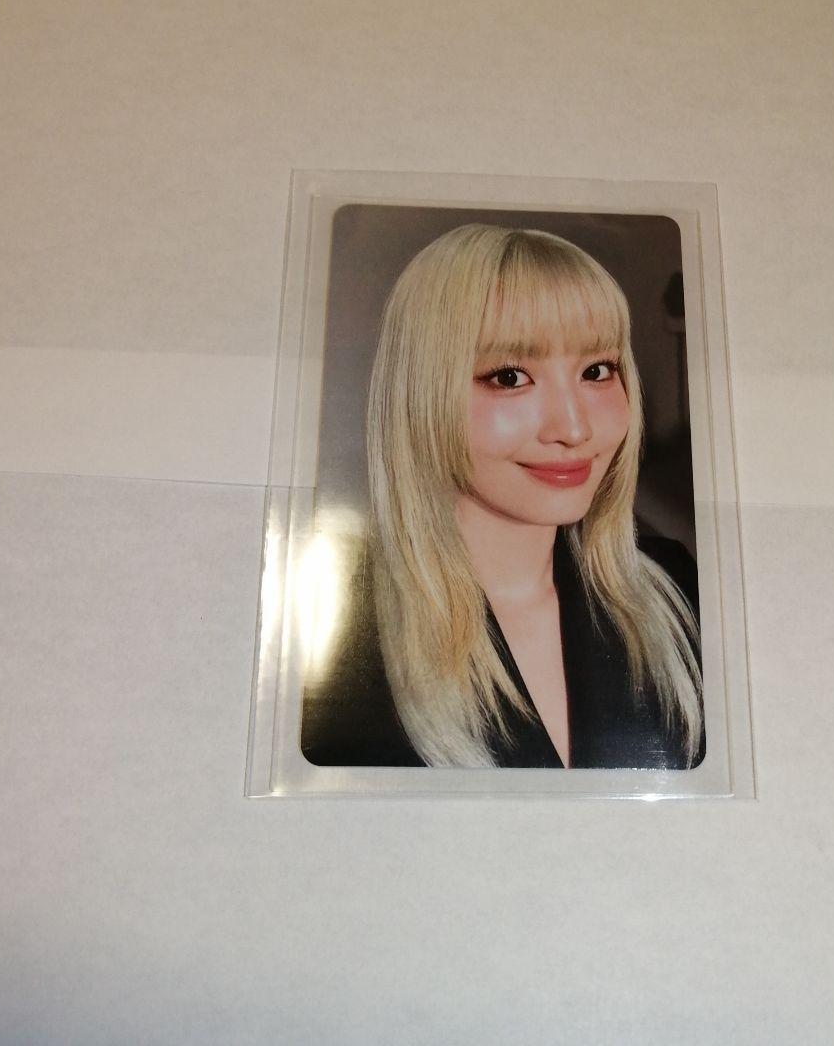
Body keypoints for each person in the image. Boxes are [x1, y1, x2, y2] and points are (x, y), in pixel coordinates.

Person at [301, 223, 704, 769]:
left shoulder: (680, 592)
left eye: (596, 371)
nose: (574, 428)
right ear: (422, 394)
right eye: (511, 377)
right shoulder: (333, 640)